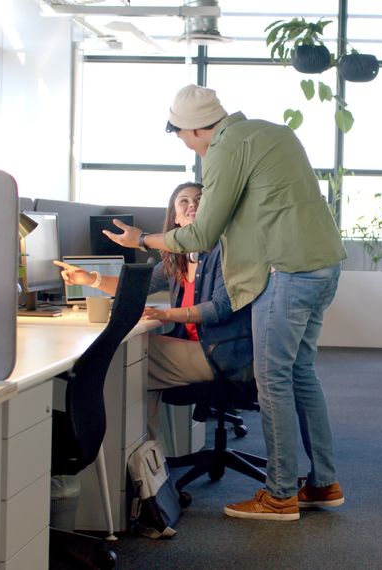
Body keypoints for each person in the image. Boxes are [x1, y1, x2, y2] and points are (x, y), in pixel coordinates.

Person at [104, 84, 347, 521]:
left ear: (195, 129)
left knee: (272, 379)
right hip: (323, 265)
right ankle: (323, 483)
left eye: (181, 136)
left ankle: (279, 495)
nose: (186, 145)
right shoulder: (272, 132)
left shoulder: (224, 147)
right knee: (300, 373)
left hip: (286, 271)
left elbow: (202, 234)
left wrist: (143, 239)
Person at [53, 182, 252, 444]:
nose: (192, 204)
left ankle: (140, 455)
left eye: (200, 200)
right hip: (194, 347)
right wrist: (91, 279)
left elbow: (218, 309)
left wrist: (166, 315)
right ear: (176, 218)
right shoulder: (177, 256)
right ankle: (145, 456)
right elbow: (139, 287)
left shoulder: (225, 251)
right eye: (184, 201)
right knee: (135, 360)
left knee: (128, 355)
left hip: (221, 353)